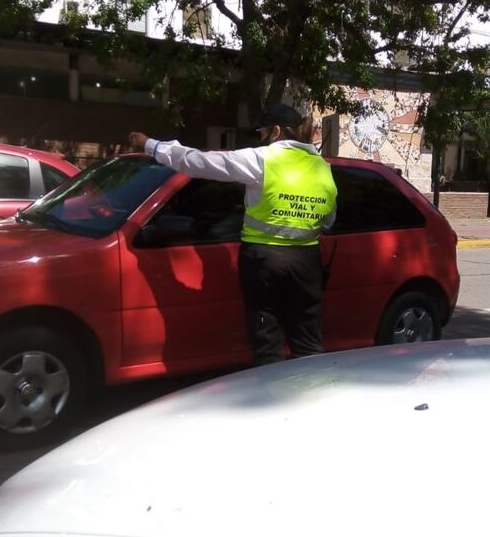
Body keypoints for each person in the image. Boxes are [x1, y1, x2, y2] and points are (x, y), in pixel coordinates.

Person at [128, 103, 338, 365]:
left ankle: (272, 400)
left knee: (268, 344)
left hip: (264, 262)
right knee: (308, 343)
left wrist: (151, 145)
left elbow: (198, 162)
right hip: (306, 263)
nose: (260, 140)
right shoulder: (322, 168)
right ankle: (309, 399)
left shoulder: (262, 159)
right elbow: (328, 221)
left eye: (261, 134)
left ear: (275, 132)